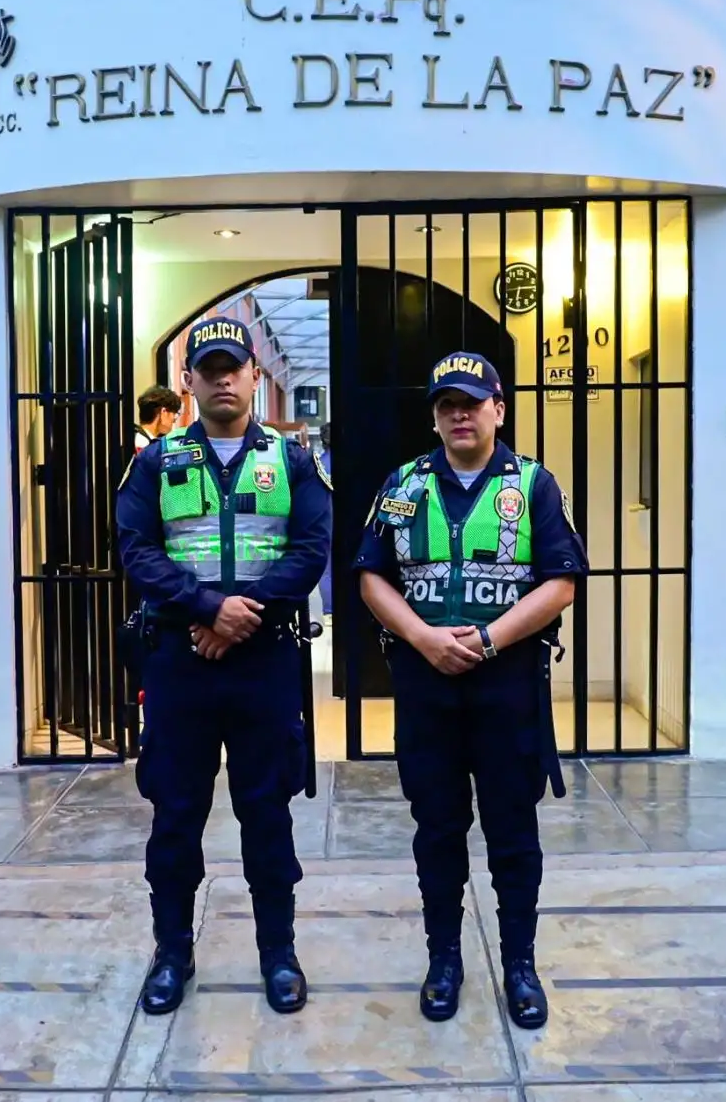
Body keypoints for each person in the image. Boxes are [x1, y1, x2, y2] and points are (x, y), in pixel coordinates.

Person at [355, 352, 585, 1030]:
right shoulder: (402, 485)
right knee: (438, 829)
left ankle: (520, 964)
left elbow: (561, 581)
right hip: (427, 686)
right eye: (447, 404)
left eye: (472, 402)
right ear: (434, 414)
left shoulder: (535, 484)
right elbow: (371, 576)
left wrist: (487, 640)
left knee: (514, 831)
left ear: (498, 409)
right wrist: (425, 637)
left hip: (506, 683)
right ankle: (444, 959)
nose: (460, 414)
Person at [114, 317, 332, 1016]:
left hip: (263, 662)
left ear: (251, 373)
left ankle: (280, 954)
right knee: (176, 815)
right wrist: (207, 607)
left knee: (265, 812)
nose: (223, 378)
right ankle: (171, 953)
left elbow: (311, 546)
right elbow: (136, 548)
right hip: (181, 661)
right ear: (190, 381)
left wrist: (247, 614)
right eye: (209, 367)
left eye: (233, 365)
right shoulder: (155, 461)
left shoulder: (292, 459)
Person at [316, 424, 334, 618]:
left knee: (327, 567)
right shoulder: (349, 460)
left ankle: (329, 612)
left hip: (324, 518)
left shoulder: (319, 463)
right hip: (347, 519)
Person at [133, 385, 183, 451]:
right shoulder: (144, 445)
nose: (174, 421)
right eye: (174, 414)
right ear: (164, 412)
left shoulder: (137, 438)